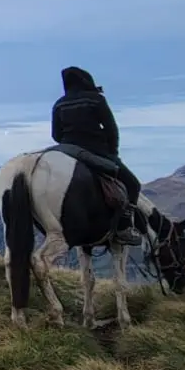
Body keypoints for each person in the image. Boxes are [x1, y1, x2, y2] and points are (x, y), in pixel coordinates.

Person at [51, 66, 142, 246]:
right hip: (95, 149)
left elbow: (55, 134)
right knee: (133, 184)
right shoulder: (96, 100)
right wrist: (112, 153)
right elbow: (111, 128)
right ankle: (124, 227)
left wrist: (68, 144)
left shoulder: (59, 104)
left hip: (67, 149)